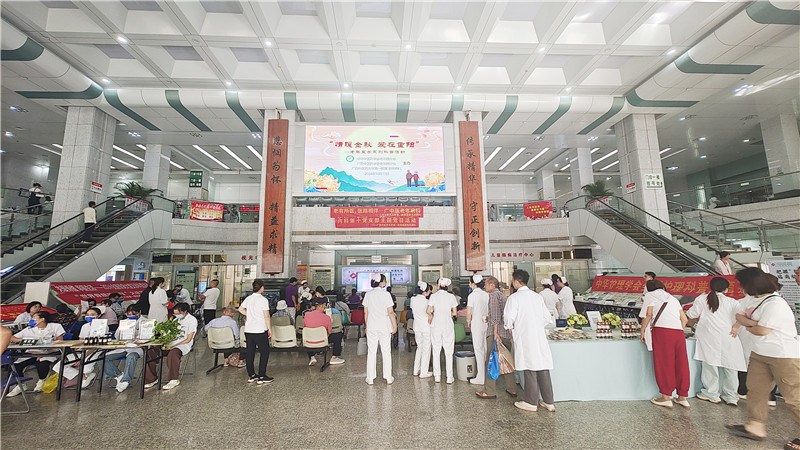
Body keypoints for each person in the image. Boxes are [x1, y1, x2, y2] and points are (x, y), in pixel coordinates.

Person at [726, 270, 799, 448]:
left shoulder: (776, 304)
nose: (740, 287)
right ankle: (755, 426)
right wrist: (753, 323)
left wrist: (750, 324)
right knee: (756, 391)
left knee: (793, 396)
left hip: (783, 355)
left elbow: (762, 331)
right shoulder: (752, 299)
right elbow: (738, 316)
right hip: (760, 353)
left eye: (742, 283)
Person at [686, 277, 746, 405]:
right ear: (726, 289)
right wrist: (736, 327)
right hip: (729, 336)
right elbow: (744, 315)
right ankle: (731, 396)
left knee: (710, 365)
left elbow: (691, 314)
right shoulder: (732, 301)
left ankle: (711, 393)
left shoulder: (702, 299)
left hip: (708, 336)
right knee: (730, 366)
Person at [504, 269, 555, 412]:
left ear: (516, 281)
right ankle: (549, 401)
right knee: (543, 366)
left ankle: (531, 402)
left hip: (525, 336)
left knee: (530, 367)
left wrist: (510, 327)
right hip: (539, 336)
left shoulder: (514, 298)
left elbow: (508, 318)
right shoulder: (537, 297)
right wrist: (536, 326)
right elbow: (547, 317)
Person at [641, 280, 690, 408]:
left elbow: (648, 315)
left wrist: (642, 331)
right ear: (662, 287)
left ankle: (666, 397)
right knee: (681, 363)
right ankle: (682, 396)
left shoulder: (649, 295)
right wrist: (676, 329)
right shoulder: (673, 298)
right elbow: (684, 319)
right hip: (678, 333)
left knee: (664, 363)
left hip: (662, 332)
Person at [475, 276, 516, 400]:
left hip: (496, 334)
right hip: (506, 334)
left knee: (490, 361)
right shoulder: (503, 296)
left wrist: (495, 333)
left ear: (492, 285)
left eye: (486, 284)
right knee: (506, 360)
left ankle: (490, 391)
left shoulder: (493, 296)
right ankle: (512, 388)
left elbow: (496, 316)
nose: (484, 287)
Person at [7, 312, 65, 397]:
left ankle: (42, 380)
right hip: (32, 353)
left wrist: (46, 351)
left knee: (41, 364)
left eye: (34, 317)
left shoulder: (55, 326)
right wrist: (25, 340)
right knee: (15, 365)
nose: (32, 320)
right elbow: (12, 337)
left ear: (42, 319)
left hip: (50, 352)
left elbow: (60, 342)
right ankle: (20, 384)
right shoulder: (29, 329)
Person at [143, 302, 197, 390]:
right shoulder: (175, 320)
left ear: (184, 312)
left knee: (173, 353)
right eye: (174, 314)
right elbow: (165, 331)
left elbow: (188, 339)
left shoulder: (192, 320)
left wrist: (174, 346)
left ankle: (173, 379)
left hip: (183, 344)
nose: (176, 316)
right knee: (150, 352)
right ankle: (151, 379)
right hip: (170, 343)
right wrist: (156, 339)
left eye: (178, 314)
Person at [363, 273, 396, 385]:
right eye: (385, 280)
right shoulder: (386, 294)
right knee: (386, 351)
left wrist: (366, 326)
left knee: (371, 352)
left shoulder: (368, 294)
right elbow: (390, 312)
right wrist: (394, 326)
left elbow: (366, 313)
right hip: (384, 326)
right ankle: (388, 377)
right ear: (381, 282)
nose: (385, 282)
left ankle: (370, 378)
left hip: (372, 326)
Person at [238, 280, 273, 384]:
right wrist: (269, 329)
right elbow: (266, 316)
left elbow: (240, 309)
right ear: (261, 288)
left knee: (250, 352)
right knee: (264, 352)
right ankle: (262, 376)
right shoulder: (263, 300)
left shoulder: (248, 298)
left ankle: (252, 375)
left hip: (249, 329)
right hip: (260, 329)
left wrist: (248, 314)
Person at [103, 305, 143, 392]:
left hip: (137, 348)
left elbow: (148, 336)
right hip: (124, 347)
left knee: (132, 356)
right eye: (129, 315)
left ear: (139, 312)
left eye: (134, 314)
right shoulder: (124, 322)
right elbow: (117, 336)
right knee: (103, 358)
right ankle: (118, 375)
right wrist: (123, 331)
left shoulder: (145, 322)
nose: (131, 316)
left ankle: (126, 380)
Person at [429, 277, 458, 384]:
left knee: (436, 351)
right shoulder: (451, 297)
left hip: (436, 325)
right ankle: (449, 377)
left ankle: (437, 376)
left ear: (438, 286)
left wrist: (433, 313)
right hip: (448, 325)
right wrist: (447, 313)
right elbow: (454, 313)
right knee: (449, 352)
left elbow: (428, 310)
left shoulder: (433, 296)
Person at [305, 298, 345, 366]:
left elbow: (306, 328)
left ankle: (312, 357)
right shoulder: (327, 318)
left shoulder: (306, 315)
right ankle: (334, 357)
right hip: (322, 341)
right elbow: (329, 332)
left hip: (309, 341)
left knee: (310, 335)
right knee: (339, 335)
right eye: (324, 305)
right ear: (321, 306)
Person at [467, 274, 489, 385]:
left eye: (470, 282)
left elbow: (469, 312)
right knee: (485, 349)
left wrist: (468, 321)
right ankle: (486, 376)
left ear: (473, 284)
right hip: (486, 324)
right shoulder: (486, 294)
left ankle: (480, 377)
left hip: (476, 324)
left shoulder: (472, 296)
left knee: (479, 350)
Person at [410, 281, 433, 377]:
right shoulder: (428, 302)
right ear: (425, 291)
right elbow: (431, 312)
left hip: (417, 327)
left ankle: (416, 370)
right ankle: (424, 372)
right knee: (426, 349)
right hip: (426, 327)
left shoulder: (413, 300)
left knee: (419, 348)